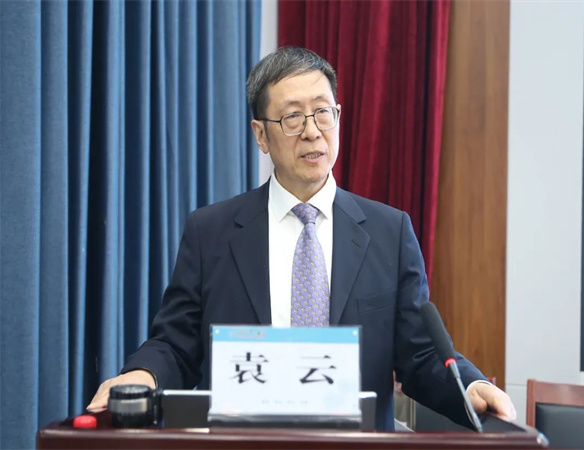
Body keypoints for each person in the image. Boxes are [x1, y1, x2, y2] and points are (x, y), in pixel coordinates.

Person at [88, 47, 516, 431]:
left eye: (322, 112)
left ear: (338, 118)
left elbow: (420, 354)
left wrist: (470, 385)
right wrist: (142, 375)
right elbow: (176, 343)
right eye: (293, 117)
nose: (312, 131)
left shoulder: (389, 231)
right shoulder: (211, 232)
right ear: (261, 135)